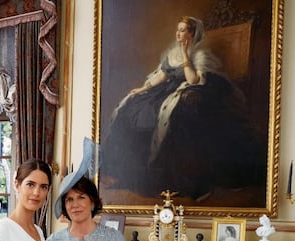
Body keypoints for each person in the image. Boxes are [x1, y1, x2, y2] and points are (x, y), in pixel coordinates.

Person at [102, 16, 266, 201]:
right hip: (167, 90)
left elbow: (193, 80)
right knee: (132, 105)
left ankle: (175, 179)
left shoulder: (201, 55)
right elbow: (162, 75)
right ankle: (135, 173)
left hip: (193, 90)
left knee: (176, 113)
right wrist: (143, 88)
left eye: (182, 30)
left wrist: (186, 55)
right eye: (177, 29)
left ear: (192, 33)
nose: (178, 33)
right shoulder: (172, 53)